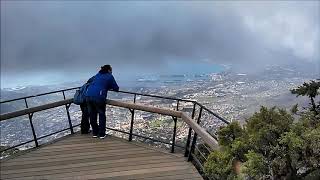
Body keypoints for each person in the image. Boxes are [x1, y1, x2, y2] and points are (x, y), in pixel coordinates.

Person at [85, 65, 119, 139]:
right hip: (98, 97)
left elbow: (90, 82)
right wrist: (107, 87)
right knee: (101, 115)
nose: (112, 71)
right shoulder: (109, 76)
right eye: (111, 70)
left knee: (92, 115)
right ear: (109, 70)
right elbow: (116, 88)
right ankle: (101, 134)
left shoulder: (97, 75)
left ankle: (95, 132)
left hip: (88, 95)